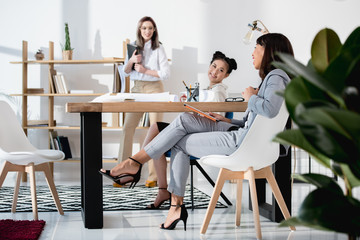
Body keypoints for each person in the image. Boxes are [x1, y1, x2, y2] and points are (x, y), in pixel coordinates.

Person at [100, 33, 294, 230]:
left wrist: (251, 97)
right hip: (242, 134)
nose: (252, 53)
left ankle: (158, 188)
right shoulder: (274, 77)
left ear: (269, 51)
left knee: (177, 140)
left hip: (240, 142)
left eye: (257, 47)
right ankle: (137, 165)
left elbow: (270, 110)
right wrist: (227, 119)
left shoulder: (276, 76)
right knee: (184, 120)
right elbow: (251, 122)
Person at [140, 51, 237, 209]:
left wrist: (196, 112)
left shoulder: (218, 91)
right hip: (197, 130)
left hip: (205, 136)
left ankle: (157, 183)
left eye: (221, 70)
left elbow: (216, 119)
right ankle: (161, 188)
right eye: (213, 66)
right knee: (156, 130)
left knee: (157, 134)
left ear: (226, 75)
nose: (215, 71)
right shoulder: (209, 89)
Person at [116, 16, 170, 188]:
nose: (147, 31)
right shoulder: (133, 47)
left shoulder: (159, 48)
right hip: (137, 89)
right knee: (127, 127)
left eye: (150, 28)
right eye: (144, 28)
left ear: (154, 30)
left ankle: (154, 176)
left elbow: (166, 74)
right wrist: (131, 61)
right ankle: (121, 173)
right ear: (140, 30)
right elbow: (125, 73)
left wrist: (146, 70)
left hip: (155, 89)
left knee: (155, 132)